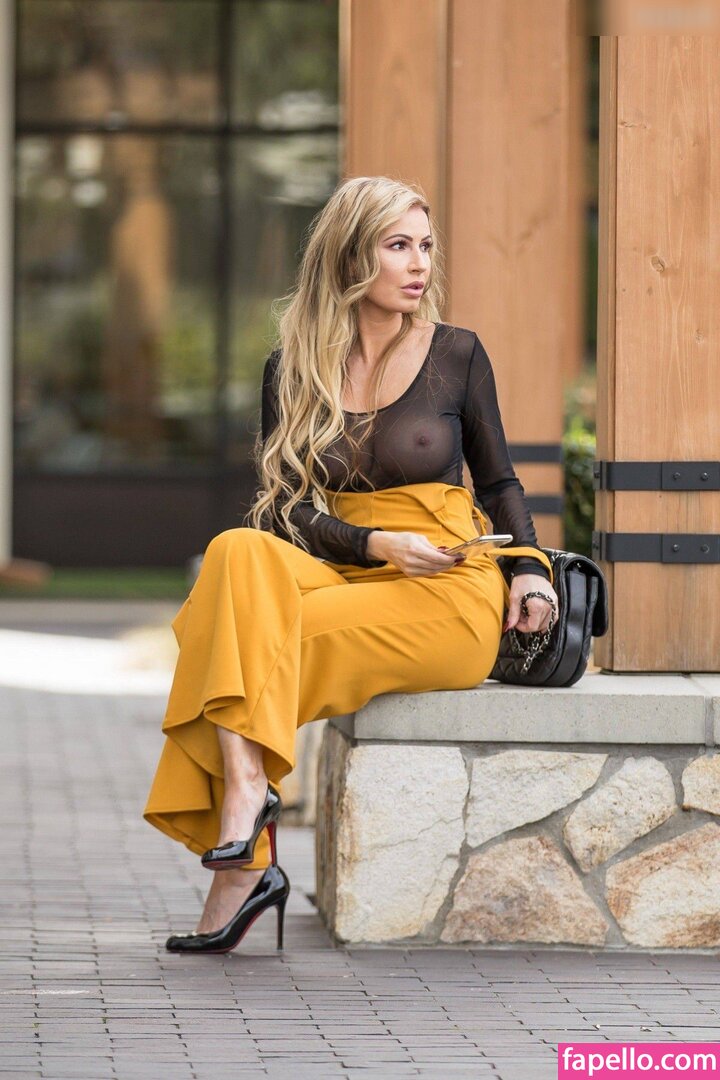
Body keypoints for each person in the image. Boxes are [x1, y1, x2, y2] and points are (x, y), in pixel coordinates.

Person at [144, 175, 559, 954]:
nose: (420, 264)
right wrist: (372, 544)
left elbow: (499, 480)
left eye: (425, 245)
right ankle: (247, 794)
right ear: (348, 256)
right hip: (347, 562)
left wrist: (531, 567)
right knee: (237, 551)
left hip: (445, 581)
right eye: (398, 245)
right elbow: (281, 510)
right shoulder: (291, 367)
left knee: (226, 639)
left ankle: (243, 860)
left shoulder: (456, 354)